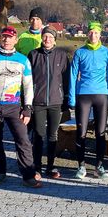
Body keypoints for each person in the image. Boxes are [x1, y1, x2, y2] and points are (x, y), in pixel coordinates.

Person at [0, 26, 41, 188]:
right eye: (4, 37)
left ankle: (28, 175)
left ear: (16, 40)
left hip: (15, 107)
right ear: (0, 38)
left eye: (10, 37)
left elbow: (28, 86)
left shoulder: (23, 60)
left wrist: (28, 107)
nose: (6, 40)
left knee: (23, 140)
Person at [68, 21, 108, 180]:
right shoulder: (80, 52)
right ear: (87, 34)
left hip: (101, 95)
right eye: (90, 32)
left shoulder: (107, 53)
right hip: (84, 95)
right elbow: (73, 75)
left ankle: (99, 166)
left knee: (101, 133)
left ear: (100, 34)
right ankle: (81, 166)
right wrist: (71, 97)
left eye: (96, 33)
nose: (93, 35)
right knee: (81, 132)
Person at [27, 26, 70, 179]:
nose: (47, 39)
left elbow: (66, 79)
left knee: (53, 135)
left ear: (55, 40)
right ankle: (36, 166)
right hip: (37, 101)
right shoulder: (33, 55)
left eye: (50, 37)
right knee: (38, 135)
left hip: (56, 101)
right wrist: (27, 101)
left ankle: (50, 166)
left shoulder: (62, 56)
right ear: (41, 38)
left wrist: (66, 98)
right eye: (45, 36)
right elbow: (27, 79)